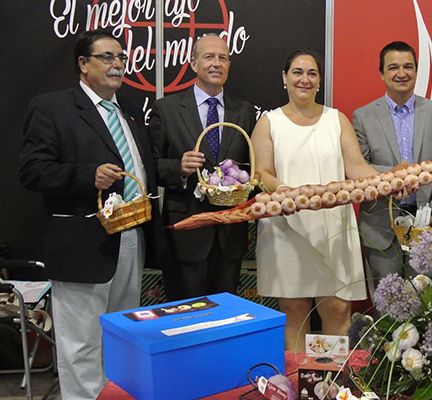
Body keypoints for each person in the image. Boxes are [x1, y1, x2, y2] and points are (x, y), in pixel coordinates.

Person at [17, 30, 166, 399]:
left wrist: (179, 169)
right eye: (107, 58)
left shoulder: (127, 109)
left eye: (120, 58)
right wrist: (87, 176)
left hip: (131, 235)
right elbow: (32, 170)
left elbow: (143, 166)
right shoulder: (53, 107)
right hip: (82, 243)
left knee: (121, 336)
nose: (117, 65)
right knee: (81, 344)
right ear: (83, 64)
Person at [251, 50, 380, 352]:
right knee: (293, 310)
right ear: (284, 78)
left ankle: (332, 386)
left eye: (312, 73)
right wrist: (285, 192)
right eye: (297, 72)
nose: (304, 79)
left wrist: (388, 181)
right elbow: (261, 172)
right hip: (286, 227)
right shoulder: (269, 122)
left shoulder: (337, 119)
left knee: (337, 309)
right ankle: (298, 386)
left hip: (333, 228)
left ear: (320, 81)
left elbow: (356, 167)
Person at [149, 34, 256, 300]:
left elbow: (254, 166)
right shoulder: (167, 109)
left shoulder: (244, 111)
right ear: (193, 63)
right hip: (186, 232)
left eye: (223, 58)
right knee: (184, 317)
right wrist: (179, 168)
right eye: (209, 57)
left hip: (230, 233)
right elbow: (150, 167)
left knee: (224, 316)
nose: (216, 63)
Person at [353, 41, 432, 281]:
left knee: (427, 302)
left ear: (416, 71)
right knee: (387, 304)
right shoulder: (363, 116)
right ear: (382, 74)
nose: (401, 73)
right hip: (380, 227)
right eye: (393, 67)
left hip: (426, 224)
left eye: (408, 66)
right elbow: (357, 168)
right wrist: (395, 175)